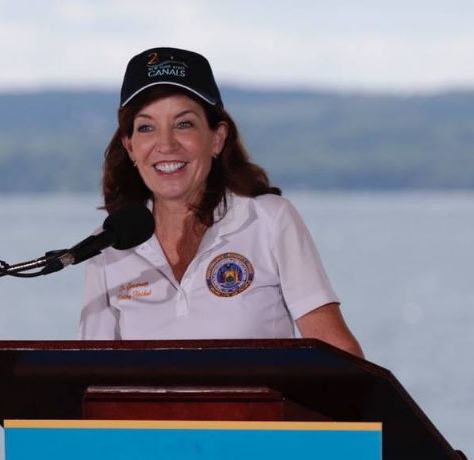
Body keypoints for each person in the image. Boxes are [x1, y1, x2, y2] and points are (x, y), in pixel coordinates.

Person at [78, 46, 363, 358]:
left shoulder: (269, 221)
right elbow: (90, 378)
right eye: (147, 127)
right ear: (130, 147)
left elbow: (341, 357)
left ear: (217, 138)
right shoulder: (106, 246)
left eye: (183, 123)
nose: (166, 144)